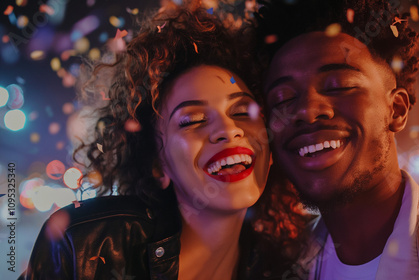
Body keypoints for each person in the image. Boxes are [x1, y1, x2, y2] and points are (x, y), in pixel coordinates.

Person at [20, 4, 306, 280]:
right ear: (158, 165)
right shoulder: (84, 247)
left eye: (243, 112)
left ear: (269, 152)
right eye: (192, 120)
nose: (229, 130)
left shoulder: (289, 266)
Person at [254, 0, 419, 279]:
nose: (307, 111)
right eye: (283, 99)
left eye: (340, 86)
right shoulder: (276, 268)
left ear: (396, 110)